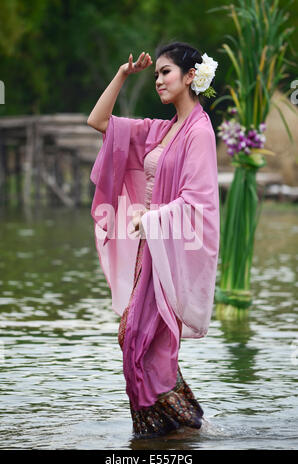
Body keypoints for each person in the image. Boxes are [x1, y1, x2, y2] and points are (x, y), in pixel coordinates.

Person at [87, 42, 220, 439]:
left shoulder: (199, 132)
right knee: (135, 337)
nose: (159, 79)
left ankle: (169, 430)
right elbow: (98, 121)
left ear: (190, 76)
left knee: (139, 338)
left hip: (168, 249)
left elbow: (199, 202)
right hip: (151, 248)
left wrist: (153, 217)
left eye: (166, 72)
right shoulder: (165, 130)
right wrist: (122, 75)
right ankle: (177, 426)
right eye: (157, 73)